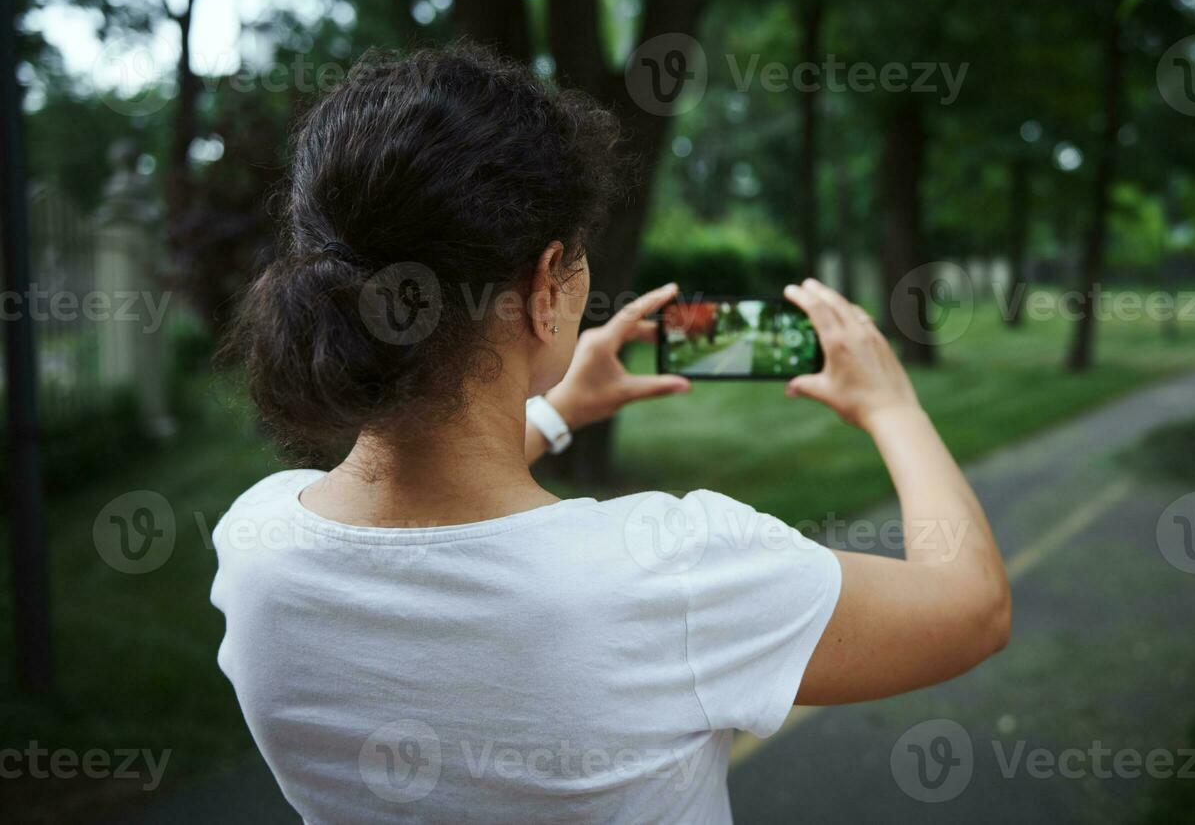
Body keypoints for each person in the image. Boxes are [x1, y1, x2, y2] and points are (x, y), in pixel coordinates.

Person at [213, 45, 1010, 824]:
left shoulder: (256, 547)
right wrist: (892, 408)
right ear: (544, 285)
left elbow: (424, 519)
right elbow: (971, 609)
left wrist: (558, 409)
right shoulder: (670, 574)